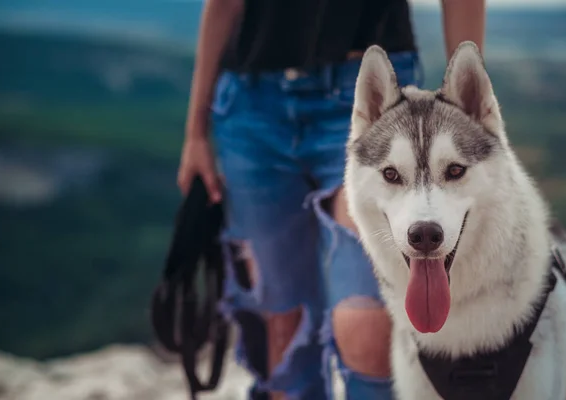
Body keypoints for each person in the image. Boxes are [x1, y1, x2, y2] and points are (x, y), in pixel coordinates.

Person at [177, 1, 485, 399]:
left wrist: (467, 105)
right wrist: (196, 131)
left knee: (367, 328)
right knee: (281, 325)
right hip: (251, 106)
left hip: (373, 96)